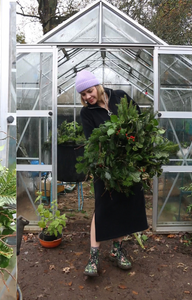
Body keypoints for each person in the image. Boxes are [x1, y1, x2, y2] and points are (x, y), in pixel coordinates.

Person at [76, 70, 148, 277]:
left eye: (89, 91)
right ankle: (93, 256)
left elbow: (138, 120)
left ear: (97, 86)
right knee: (103, 206)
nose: (87, 97)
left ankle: (118, 250)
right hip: (104, 166)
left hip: (127, 164)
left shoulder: (120, 97)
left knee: (123, 205)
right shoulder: (87, 113)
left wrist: (133, 143)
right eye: (82, 95)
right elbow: (92, 140)